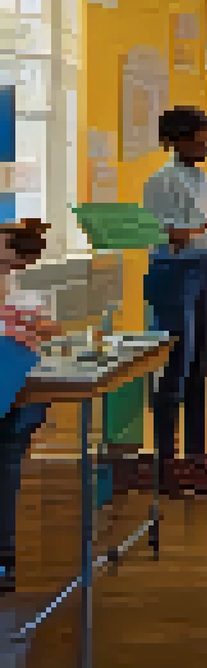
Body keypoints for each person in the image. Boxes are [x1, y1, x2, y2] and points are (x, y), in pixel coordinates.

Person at [140, 106, 207, 495]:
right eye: (201, 136)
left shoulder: (201, 178)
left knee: (200, 366)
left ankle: (196, 456)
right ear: (177, 141)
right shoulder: (161, 181)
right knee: (175, 370)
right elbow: (173, 236)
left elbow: (198, 226)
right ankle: (166, 463)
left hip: (204, 270)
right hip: (174, 276)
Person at [0, 219, 60, 591]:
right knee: (8, 463)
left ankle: (4, 555)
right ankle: (4, 556)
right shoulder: (13, 284)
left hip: (15, 382)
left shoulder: (14, 285)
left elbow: (43, 327)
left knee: (9, 460)